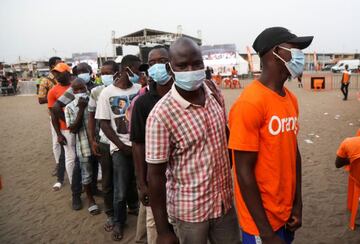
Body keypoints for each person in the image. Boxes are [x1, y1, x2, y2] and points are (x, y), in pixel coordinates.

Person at [146, 37, 240, 244]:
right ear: (171, 69)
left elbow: (224, 136)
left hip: (223, 204)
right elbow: (155, 175)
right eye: (182, 65)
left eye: (196, 63)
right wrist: (163, 231)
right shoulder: (161, 115)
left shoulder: (214, 92)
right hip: (189, 212)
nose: (191, 69)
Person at [228, 27, 313, 244]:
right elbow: (243, 171)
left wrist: (297, 204)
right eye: (294, 49)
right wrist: (265, 232)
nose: (299, 55)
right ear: (276, 52)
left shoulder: (290, 99)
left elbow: (293, 154)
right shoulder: (249, 103)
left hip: (286, 214)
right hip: (261, 223)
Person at [130, 46, 174, 244]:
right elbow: (138, 144)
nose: (157, 66)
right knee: (156, 225)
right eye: (152, 63)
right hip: (155, 177)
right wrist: (142, 184)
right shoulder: (142, 103)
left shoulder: (184, 94)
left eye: (162, 61)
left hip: (181, 179)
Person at [95, 55, 141, 241]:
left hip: (140, 146)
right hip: (119, 148)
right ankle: (118, 221)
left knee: (140, 183)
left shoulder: (140, 89)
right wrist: (121, 146)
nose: (139, 74)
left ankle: (138, 210)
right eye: (136, 71)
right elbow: (104, 124)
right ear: (125, 70)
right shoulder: (107, 93)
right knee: (120, 189)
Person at [88, 60, 118, 231]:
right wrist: (93, 139)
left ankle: (131, 206)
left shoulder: (131, 88)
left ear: (117, 72)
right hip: (105, 142)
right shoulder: (96, 91)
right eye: (102, 73)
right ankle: (110, 214)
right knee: (107, 180)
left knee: (127, 177)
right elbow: (92, 117)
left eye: (108, 72)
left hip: (124, 142)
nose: (105, 76)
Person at [64, 78, 100, 215]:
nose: (79, 92)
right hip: (83, 145)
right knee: (86, 174)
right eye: (76, 90)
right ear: (72, 92)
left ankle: (95, 190)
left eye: (82, 89)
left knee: (97, 169)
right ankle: (91, 200)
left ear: (86, 88)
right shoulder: (69, 107)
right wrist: (81, 109)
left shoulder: (94, 101)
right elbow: (73, 129)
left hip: (98, 142)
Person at [47, 62, 80, 209]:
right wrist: (59, 133)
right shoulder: (53, 91)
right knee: (70, 156)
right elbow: (53, 114)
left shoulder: (77, 85)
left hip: (81, 128)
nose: (57, 75)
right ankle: (74, 184)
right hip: (65, 130)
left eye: (60, 72)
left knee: (83, 156)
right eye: (55, 73)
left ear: (68, 72)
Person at [38, 57, 64, 177]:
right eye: (59, 64)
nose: (61, 65)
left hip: (67, 114)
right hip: (54, 114)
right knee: (56, 141)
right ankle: (59, 164)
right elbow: (41, 99)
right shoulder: (45, 81)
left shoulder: (65, 77)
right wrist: (54, 95)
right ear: (52, 67)